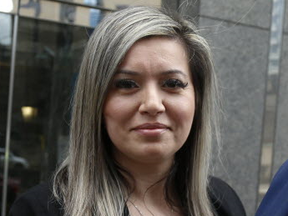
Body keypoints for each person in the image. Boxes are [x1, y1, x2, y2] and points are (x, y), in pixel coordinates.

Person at [9, 6, 246, 216]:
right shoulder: (40, 209)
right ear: (96, 101)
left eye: (172, 83)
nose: (153, 104)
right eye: (126, 84)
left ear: (197, 98)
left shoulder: (222, 204)